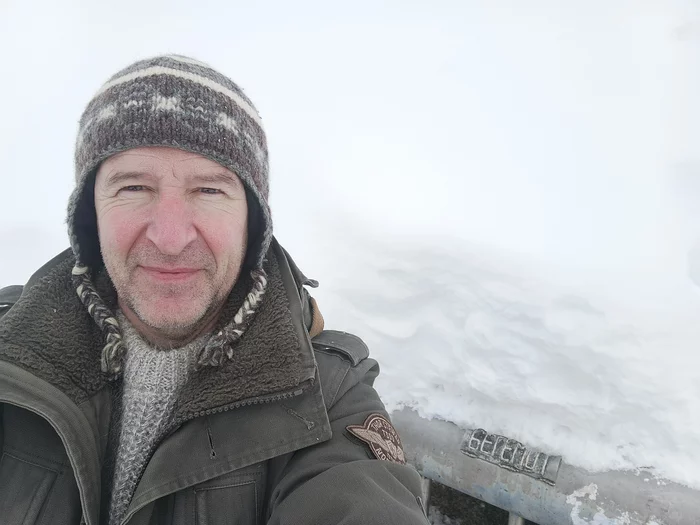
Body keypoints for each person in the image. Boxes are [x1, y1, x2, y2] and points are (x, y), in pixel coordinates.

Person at [0, 55, 428, 525]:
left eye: (208, 191)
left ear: (252, 222)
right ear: (90, 214)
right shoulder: (9, 350)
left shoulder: (327, 399)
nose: (170, 238)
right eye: (134, 188)